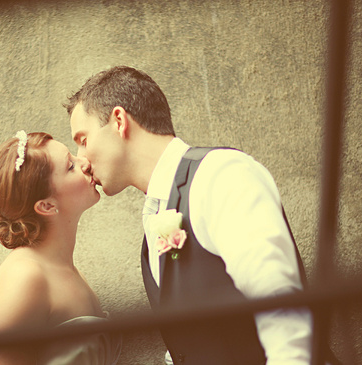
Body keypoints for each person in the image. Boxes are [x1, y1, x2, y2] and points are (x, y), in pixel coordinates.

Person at [64, 66, 321, 365]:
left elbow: (283, 312)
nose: (81, 157)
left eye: (82, 140)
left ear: (119, 121)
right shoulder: (156, 214)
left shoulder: (221, 174)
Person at [0, 131, 122, 365]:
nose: (84, 162)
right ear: (46, 205)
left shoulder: (64, 268)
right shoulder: (24, 277)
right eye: (70, 166)